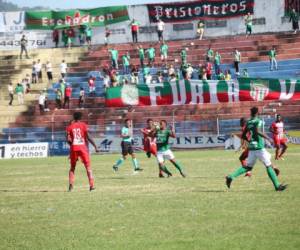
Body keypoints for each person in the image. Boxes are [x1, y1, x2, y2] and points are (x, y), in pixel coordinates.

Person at [226, 107, 287, 191]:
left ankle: (231, 176)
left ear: (251, 113)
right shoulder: (258, 121)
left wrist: (250, 141)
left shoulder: (248, 122)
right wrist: (268, 138)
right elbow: (257, 131)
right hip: (259, 147)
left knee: (247, 167)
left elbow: (243, 135)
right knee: (268, 166)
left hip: (251, 148)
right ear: (257, 112)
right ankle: (277, 186)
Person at [66, 112, 99, 191]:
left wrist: (72, 149)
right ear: (81, 117)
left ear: (74, 118)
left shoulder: (69, 127)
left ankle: (70, 185)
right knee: (88, 167)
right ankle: (91, 186)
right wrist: (95, 146)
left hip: (74, 148)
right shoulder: (83, 125)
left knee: (72, 167)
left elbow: (68, 140)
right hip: (82, 147)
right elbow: (88, 137)